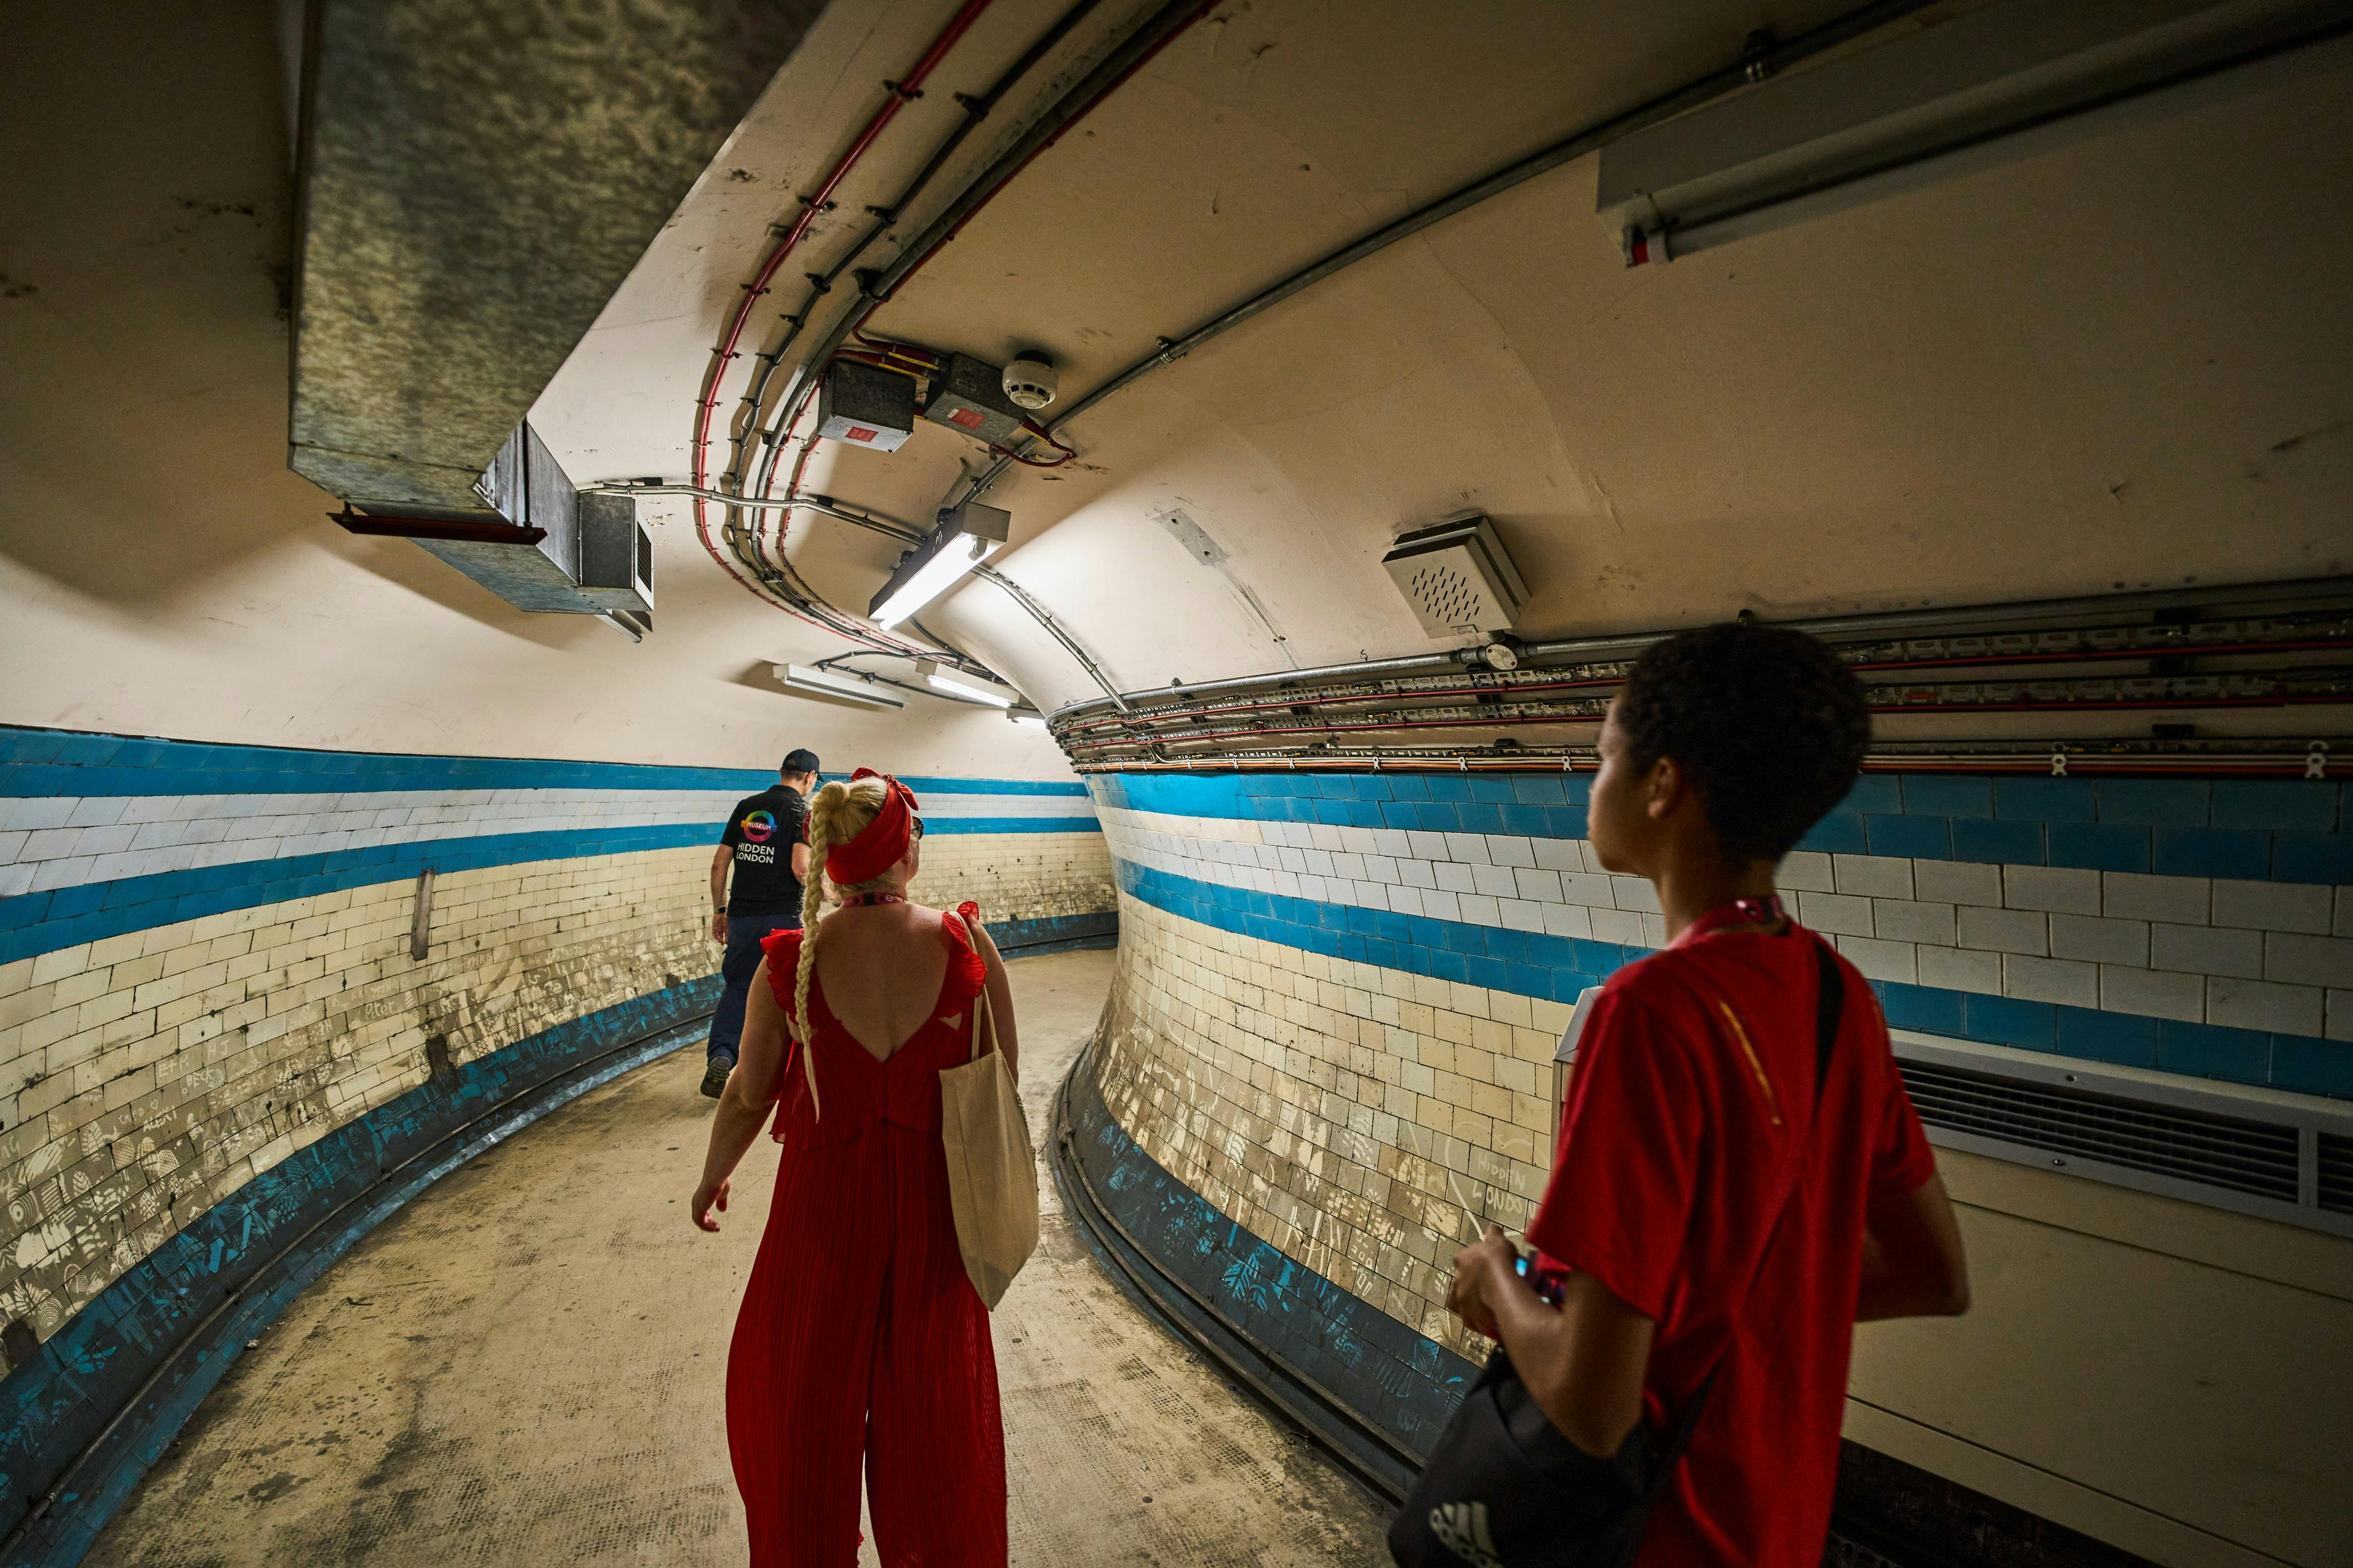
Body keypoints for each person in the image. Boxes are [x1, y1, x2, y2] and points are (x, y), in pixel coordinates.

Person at [1442, 623, 1970, 1568]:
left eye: (1605, 757)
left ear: (1662, 784)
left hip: (1657, 1535)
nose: (1591, 784)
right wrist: (1735, 1316)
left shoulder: (1651, 1012)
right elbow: (1934, 1275)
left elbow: (1592, 1413)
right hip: (1776, 1526)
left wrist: (1497, 1285)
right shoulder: (1834, 998)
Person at [691, 769, 1019, 1566]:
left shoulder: (792, 961)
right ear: (907, 851)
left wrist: (713, 1172)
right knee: (938, 1440)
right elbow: (1000, 1075)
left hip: (819, 1228)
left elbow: (748, 1093)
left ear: (826, 861)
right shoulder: (964, 943)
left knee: (801, 1423)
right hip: (935, 1227)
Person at [703, 748, 820, 1098]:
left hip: (743, 915)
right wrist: (829, 893)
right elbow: (801, 868)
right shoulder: (803, 811)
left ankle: (722, 1054)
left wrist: (721, 909)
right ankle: (782, 1072)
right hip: (783, 918)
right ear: (811, 779)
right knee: (789, 992)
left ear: (782, 771)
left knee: (738, 986)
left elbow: (719, 864)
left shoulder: (747, 806)